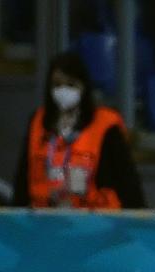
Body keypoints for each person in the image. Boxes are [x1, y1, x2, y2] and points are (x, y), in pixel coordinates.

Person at [11, 51, 145, 209]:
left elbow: (128, 182)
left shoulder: (106, 127)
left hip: (96, 222)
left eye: (71, 85)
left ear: (83, 86)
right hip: (46, 221)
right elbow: (22, 180)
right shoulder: (37, 123)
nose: (63, 90)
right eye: (57, 85)